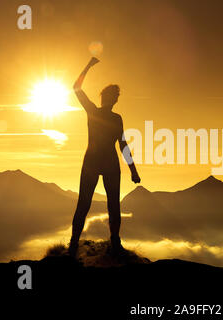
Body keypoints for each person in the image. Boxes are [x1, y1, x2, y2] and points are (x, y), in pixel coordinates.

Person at [69, 57, 140, 258]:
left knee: (88, 204)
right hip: (106, 163)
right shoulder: (112, 117)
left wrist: (88, 66)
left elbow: (76, 87)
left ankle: (75, 245)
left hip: (93, 162)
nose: (114, 98)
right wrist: (133, 171)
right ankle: (110, 243)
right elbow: (124, 146)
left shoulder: (97, 113)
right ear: (112, 99)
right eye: (114, 95)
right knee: (109, 204)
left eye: (114, 96)